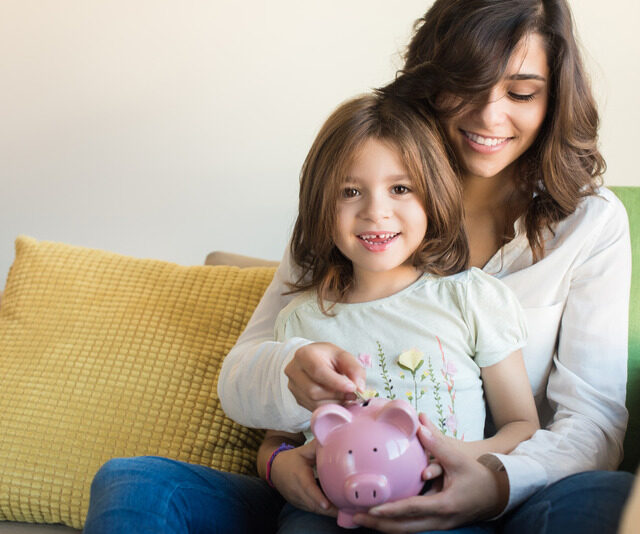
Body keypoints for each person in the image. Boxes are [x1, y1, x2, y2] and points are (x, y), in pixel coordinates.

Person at [85, 1, 634, 533]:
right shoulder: (349, 217)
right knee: (135, 482)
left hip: (510, 494)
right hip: (334, 492)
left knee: (606, 501)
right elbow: (246, 378)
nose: (491, 115)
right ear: (430, 81)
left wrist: (494, 481)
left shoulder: (590, 224)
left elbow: (590, 420)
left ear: (554, 99)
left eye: (520, 92)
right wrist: (279, 455)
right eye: (466, 86)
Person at [257, 92, 540, 531]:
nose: (375, 211)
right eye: (350, 191)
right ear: (320, 205)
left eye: (400, 189)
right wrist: (277, 466)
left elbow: (522, 425)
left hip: (447, 507)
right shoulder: (300, 320)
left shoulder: (470, 298)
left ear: (434, 195)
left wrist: (452, 455)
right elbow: (277, 441)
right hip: (332, 514)